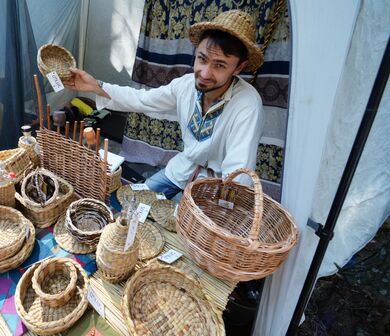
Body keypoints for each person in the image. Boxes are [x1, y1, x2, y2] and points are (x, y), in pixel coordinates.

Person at [65, 10, 264, 200]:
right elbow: (142, 99)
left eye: (219, 65)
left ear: (239, 67)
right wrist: (96, 86)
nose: (204, 73)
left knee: (177, 230)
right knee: (131, 201)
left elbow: (237, 177)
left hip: (212, 192)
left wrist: (202, 212)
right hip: (180, 170)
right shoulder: (186, 85)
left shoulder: (247, 104)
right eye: (202, 59)